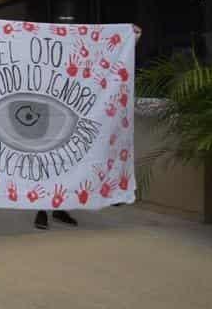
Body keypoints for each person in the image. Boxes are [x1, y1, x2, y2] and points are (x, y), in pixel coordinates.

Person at [34, 24, 143, 229]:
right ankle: (41, 211)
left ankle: (60, 208)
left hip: (70, 127)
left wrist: (131, 38)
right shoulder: (44, 70)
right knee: (47, 169)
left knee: (66, 168)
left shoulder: (77, 70)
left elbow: (110, 61)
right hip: (47, 127)